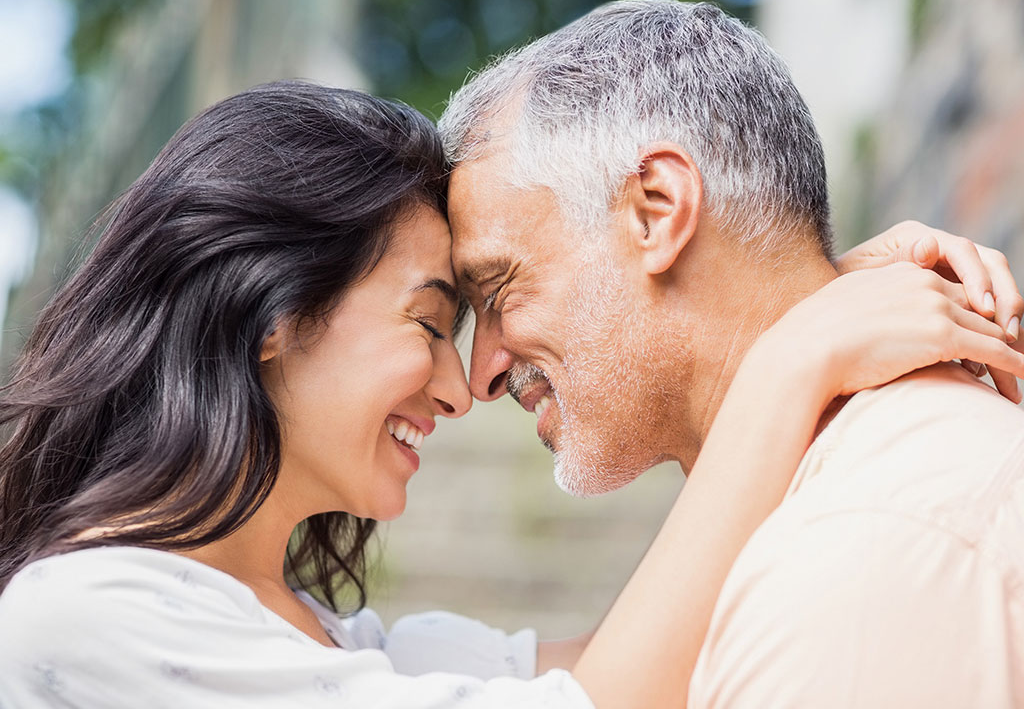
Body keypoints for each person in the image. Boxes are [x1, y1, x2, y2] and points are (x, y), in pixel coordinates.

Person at [0, 82, 1018, 709]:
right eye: (431, 319)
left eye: (481, 308)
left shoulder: (338, 644)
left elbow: (664, 653)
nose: (463, 383)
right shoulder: (83, 617)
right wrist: (796, 354)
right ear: (272, 314)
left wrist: (812, 294)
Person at [438, 0, 1024, 707]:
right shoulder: (841, 515)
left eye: (498, 288)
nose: (482, 373)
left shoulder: (854, 560)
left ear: (657, 210)